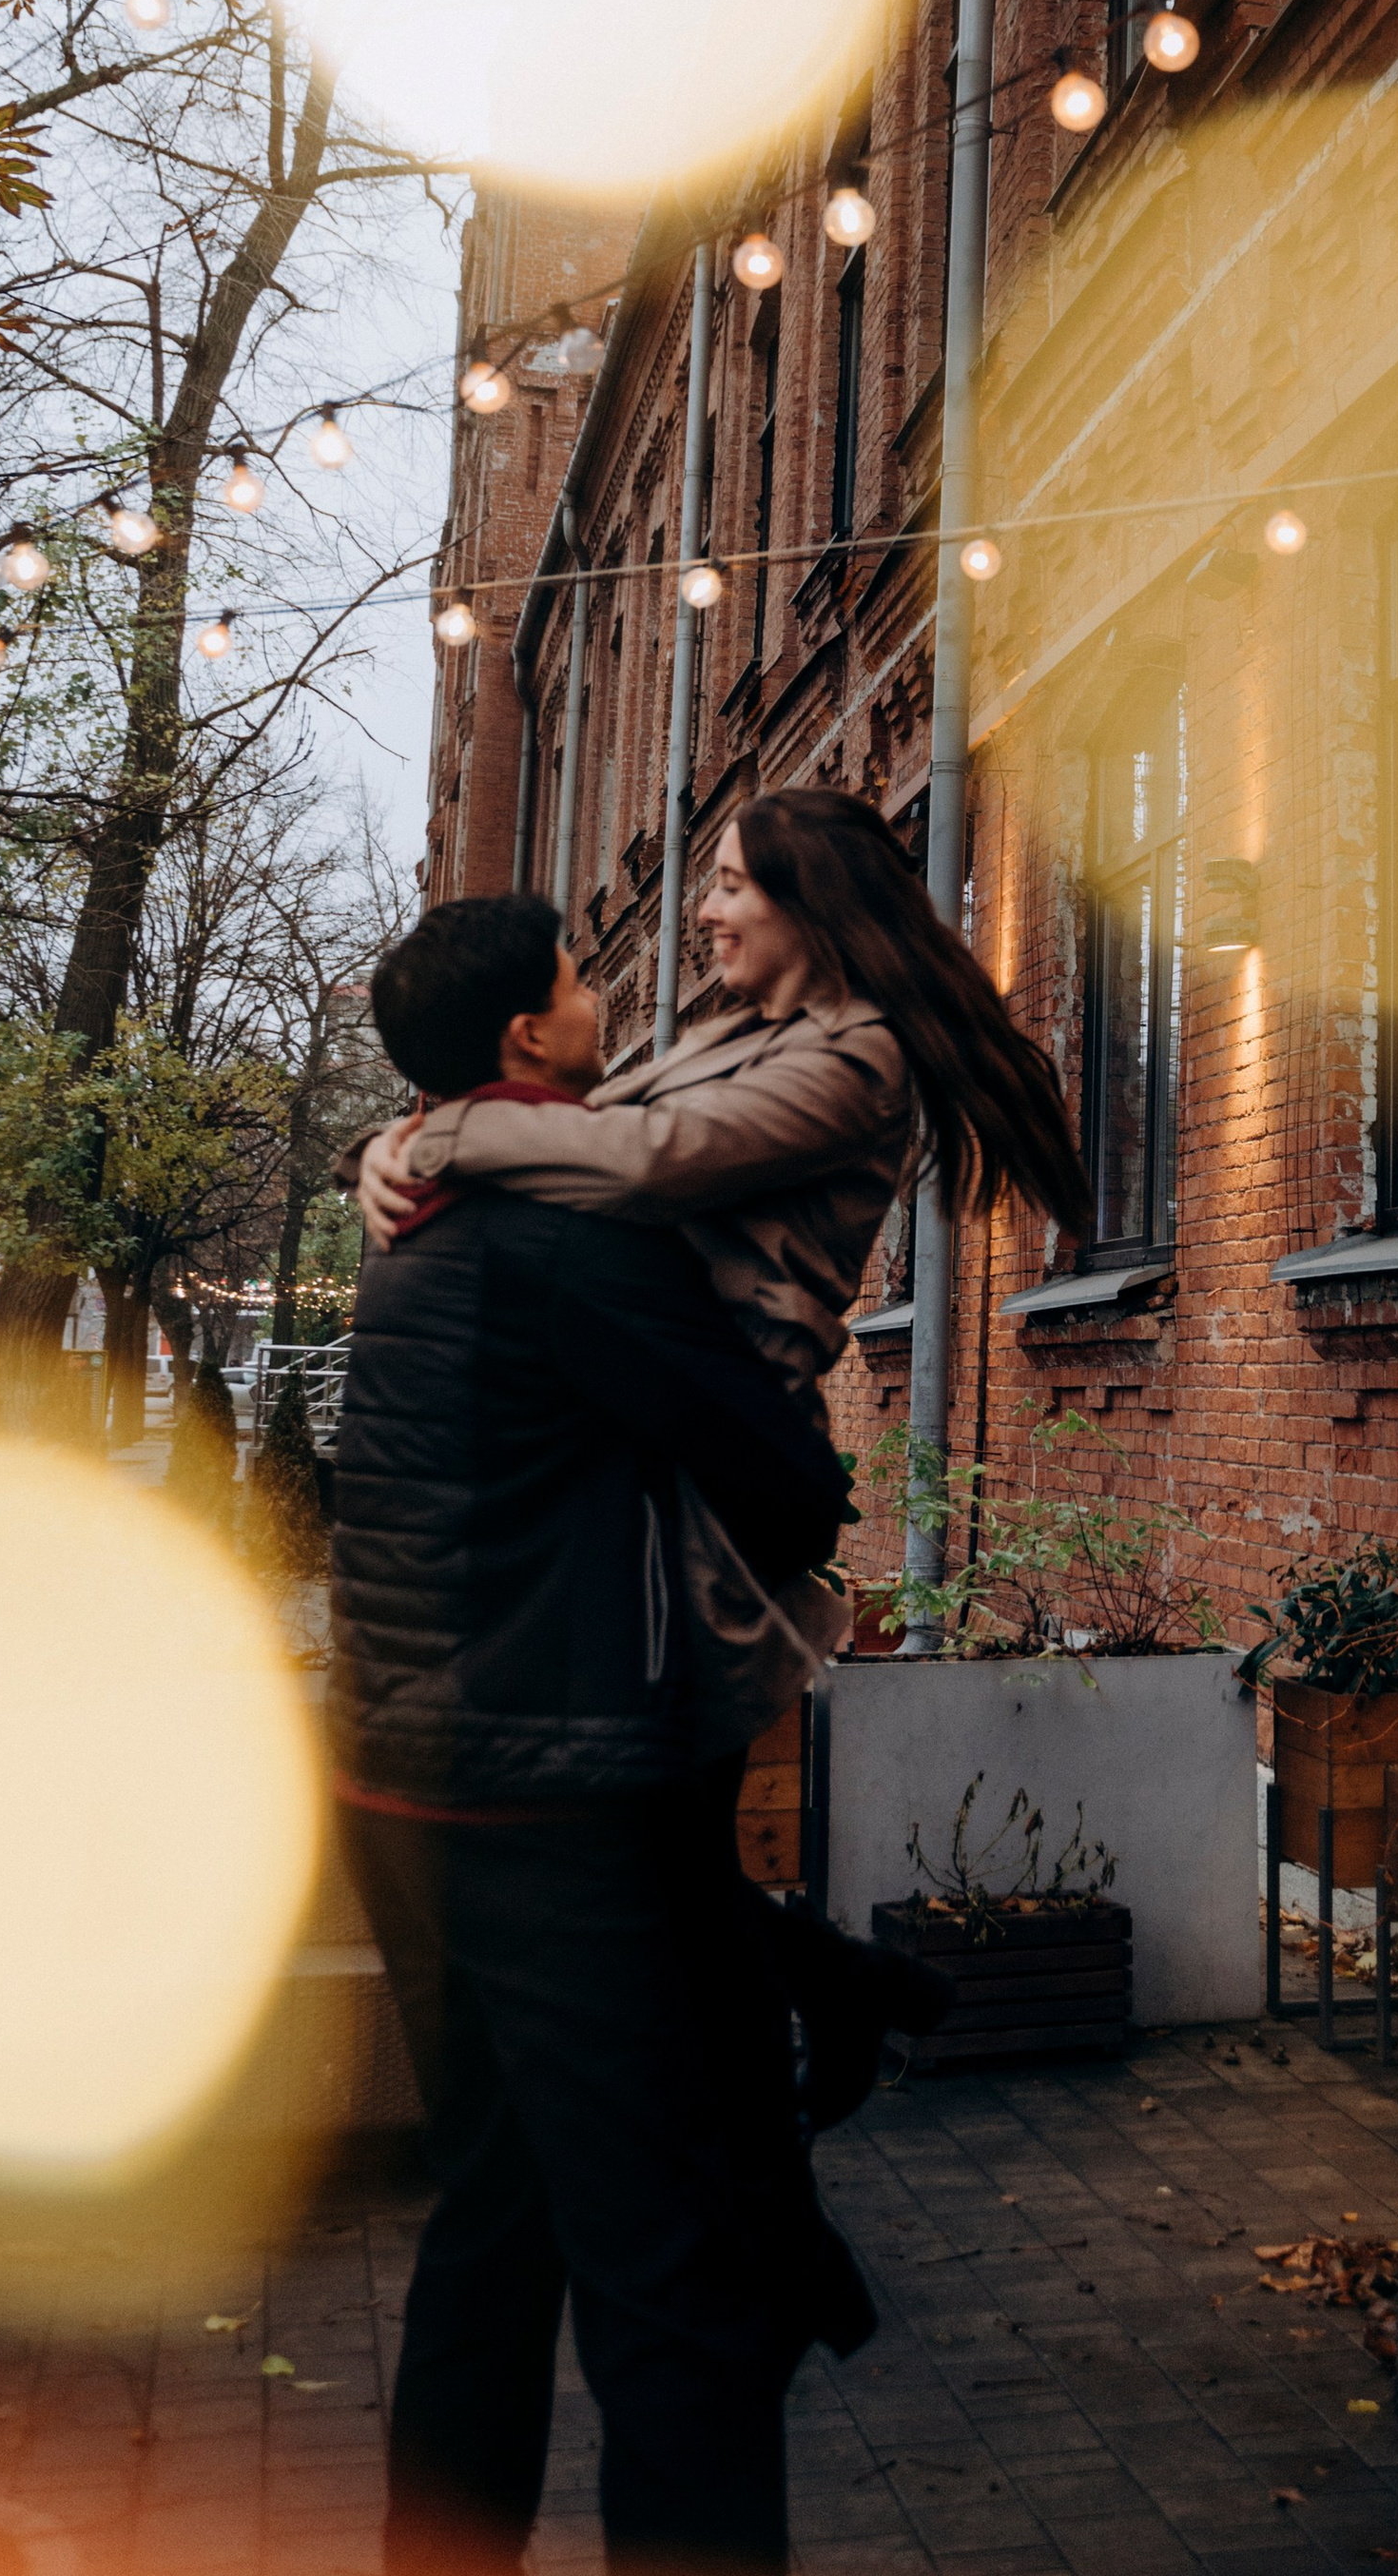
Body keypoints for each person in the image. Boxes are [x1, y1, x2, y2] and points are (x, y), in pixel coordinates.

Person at [355, 787, 1095, 2120]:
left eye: (733, 886)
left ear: (811, 899)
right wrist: (395, 1141)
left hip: (721, 1449)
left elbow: (643, 1160)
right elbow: (575, 1137)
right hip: (639, 1429)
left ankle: (740, 2132)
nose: (702, 910)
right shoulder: (729, 1025)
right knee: (640, 1858)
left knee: (643, 1842)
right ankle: (813, 2021)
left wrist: (435, 1135)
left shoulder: (857, 1054)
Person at [335, 888, 872, 2576]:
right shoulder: (573, 1235)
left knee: (494, 2225)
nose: (606, 989)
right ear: (524, 1041)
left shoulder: (422, 1206)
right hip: (545, 1811)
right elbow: (778, 1477)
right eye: (579, 978)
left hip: (400, 1791)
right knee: (677, 2281)